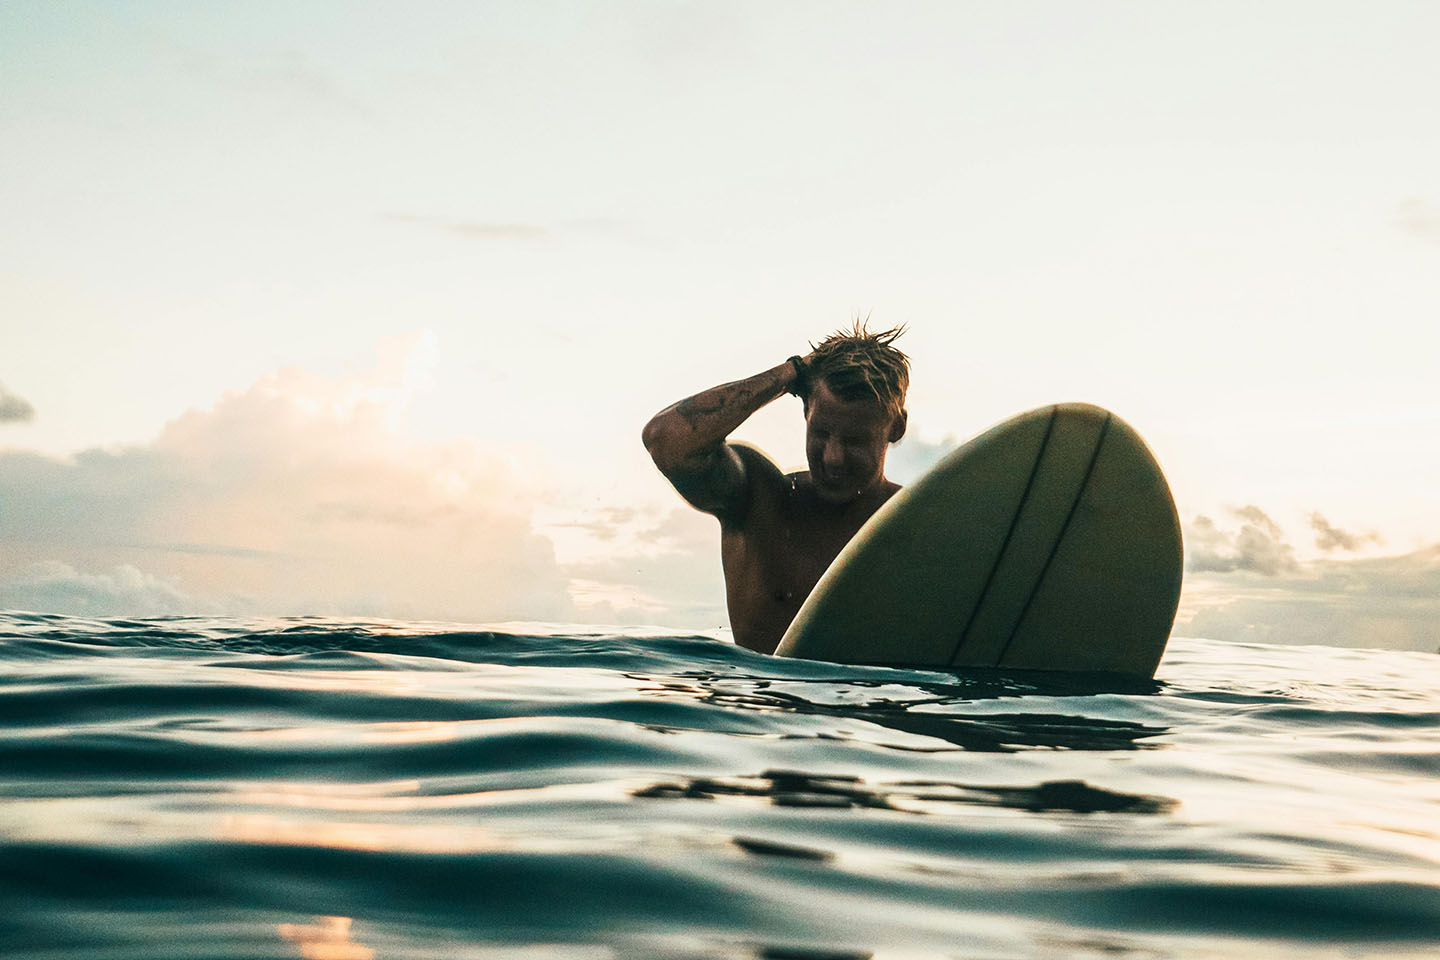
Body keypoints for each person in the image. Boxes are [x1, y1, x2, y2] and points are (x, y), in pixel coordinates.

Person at [642, 323, 910, 654]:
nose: (833, 457)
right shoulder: (761, 500)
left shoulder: (916, 520)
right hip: (764, 701)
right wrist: (792, 372)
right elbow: (667, 439)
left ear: (895, 428)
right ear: (805, 412)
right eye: (821, 434)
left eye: (854, 441)